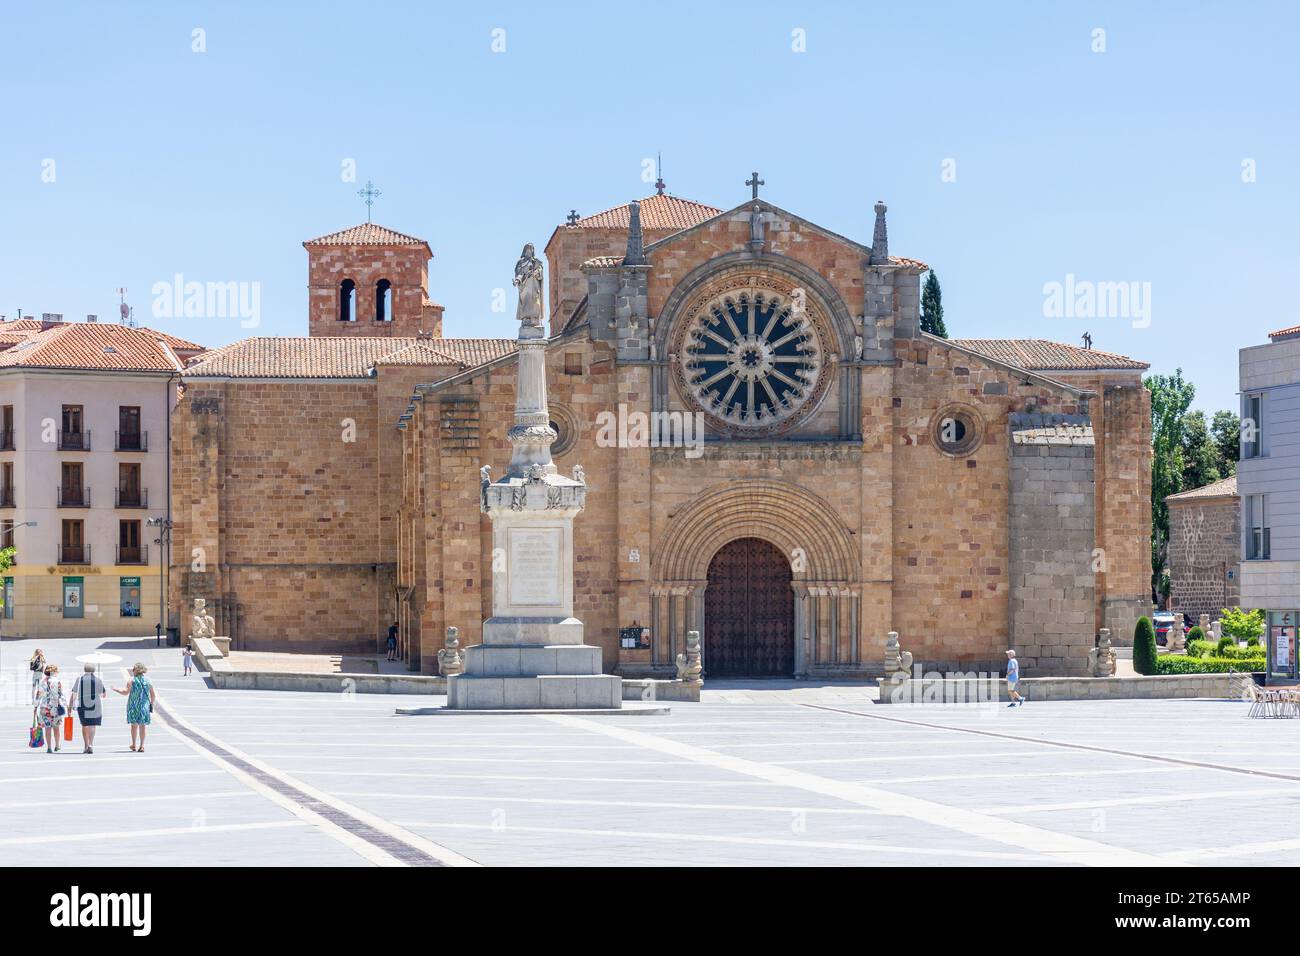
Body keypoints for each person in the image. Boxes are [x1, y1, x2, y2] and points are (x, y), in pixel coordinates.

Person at [113, 663, 155, 752]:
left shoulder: (131, 680)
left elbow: (125, 692)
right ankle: (142, 745)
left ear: (136, 670)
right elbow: (153, 695)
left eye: (133, 669)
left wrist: (115, 689)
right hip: (144, 706)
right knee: (142, 726)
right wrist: (151, 704)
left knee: (134, 726)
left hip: (133, 706)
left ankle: (134, 744)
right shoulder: (148, 680)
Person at [68, 664, 105, 754]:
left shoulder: (79, 679)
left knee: (85, 725)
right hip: (95, 705)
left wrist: (70, 705)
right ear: (94, 670)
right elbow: (103, 694)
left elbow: (74, 693)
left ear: (84, 669)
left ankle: (86, 745)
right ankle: (91, 744)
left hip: (83, 704)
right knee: (92, 725)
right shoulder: (97, 680)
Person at [34, 664, 65, 753]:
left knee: (47, 728)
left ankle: (49, 747)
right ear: (54, 672)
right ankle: (57, 745)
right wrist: (66, 705)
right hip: (55, 707)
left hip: (44, 708)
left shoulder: (42, 682)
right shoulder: (58, 681)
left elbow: (38, 695)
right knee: (56, 727)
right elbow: (61, 695)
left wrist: (36, 706)